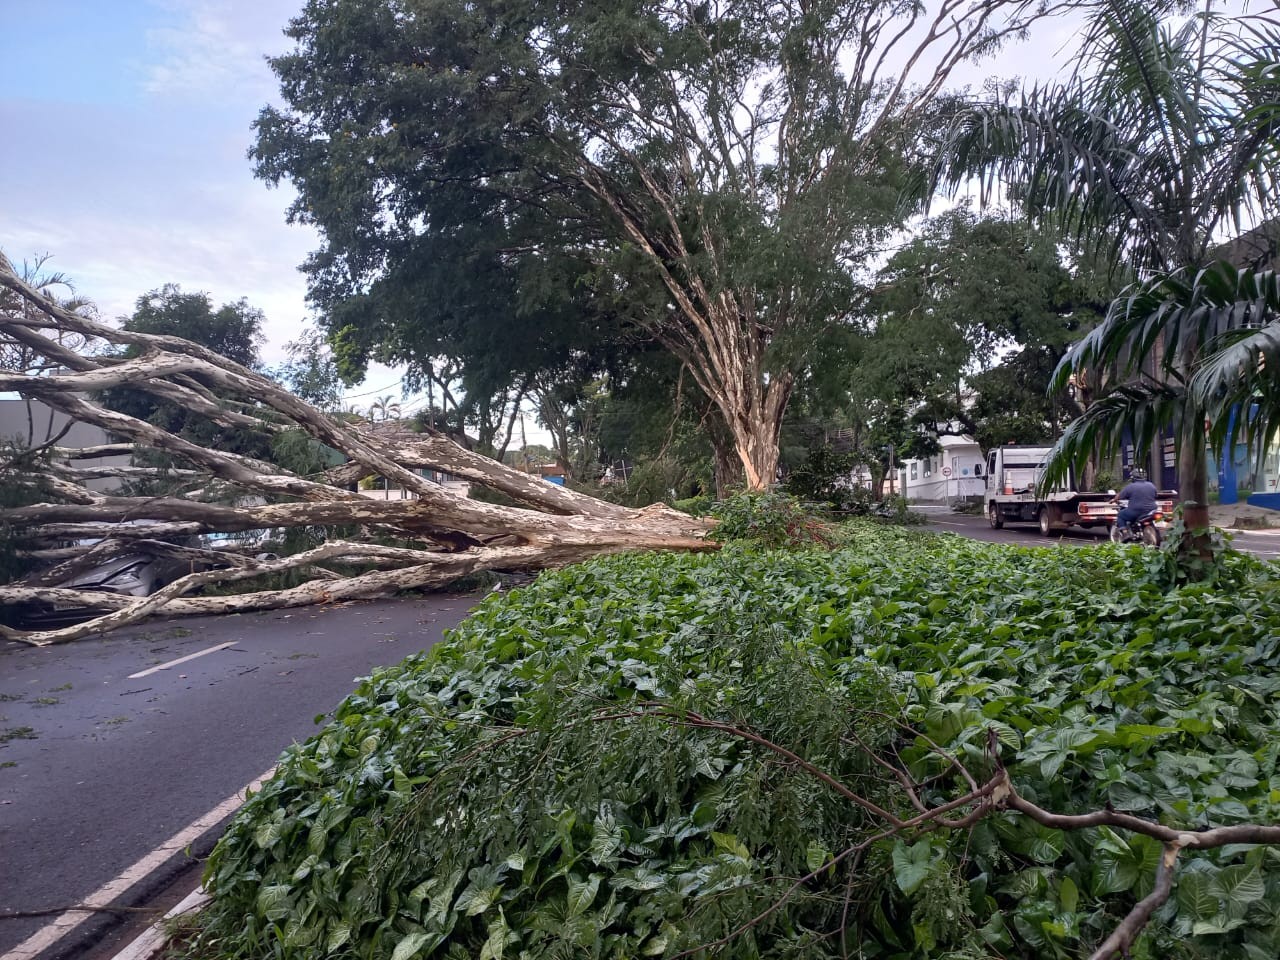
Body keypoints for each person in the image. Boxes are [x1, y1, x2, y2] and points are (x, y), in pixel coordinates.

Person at [1112, 468, 1159, 533]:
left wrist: (1113, 500)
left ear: (1133, 477)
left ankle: (1125, 532)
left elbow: (1119, 496)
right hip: (1151, 510)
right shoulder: (1151, 485)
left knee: (1120, 515)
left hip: (1136, 511)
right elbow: (1155, 495)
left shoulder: (1130, 486)